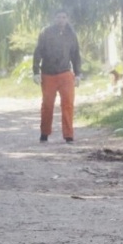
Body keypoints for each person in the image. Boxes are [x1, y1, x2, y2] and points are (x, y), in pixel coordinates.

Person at [32, 10, 82, 144]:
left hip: (65, 73)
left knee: (68, 104)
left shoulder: (71, 34)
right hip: (48, 74)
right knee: (47, 105)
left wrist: (77, 74)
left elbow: (76, 55)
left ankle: (68, 135)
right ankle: (44, 133)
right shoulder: (46, 32)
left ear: (67, 19)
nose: (61, 20)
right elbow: (38, 52)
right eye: (59, 17)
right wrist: (36, 72)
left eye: (64, 17)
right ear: (54, 19)